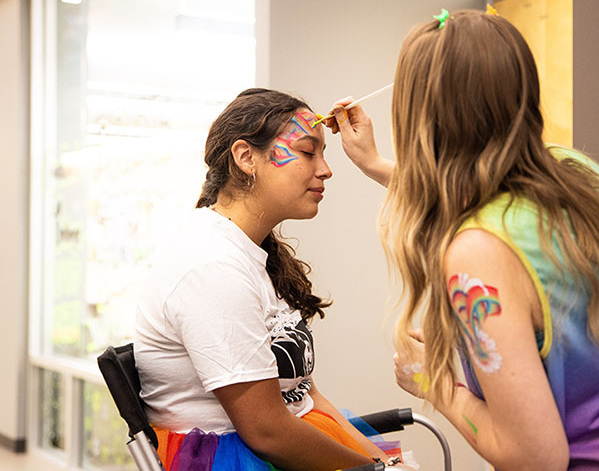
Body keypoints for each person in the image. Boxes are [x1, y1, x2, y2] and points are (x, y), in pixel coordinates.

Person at [324, 9, 599, 470]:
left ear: (421, 116)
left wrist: (435, 382)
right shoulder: (576, 175)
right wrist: (376, 164)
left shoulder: (477, 255)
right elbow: (478, 190)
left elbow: (534, 458)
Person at [134, 88, 401, 471]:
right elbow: (267, 432)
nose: (326, 169)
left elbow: (304, 395)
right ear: (246, 158)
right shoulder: (212, 265)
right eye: (309, 151)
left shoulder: (248, 255)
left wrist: (382, 462)